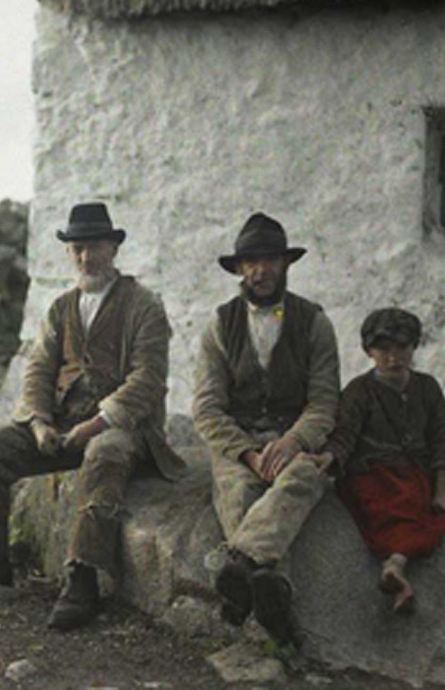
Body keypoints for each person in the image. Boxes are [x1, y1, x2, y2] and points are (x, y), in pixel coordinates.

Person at [0, 202, 185, 630]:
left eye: (94, 247)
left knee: (104, 455)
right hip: (61, 425)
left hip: (124, 429)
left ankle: (83, 577)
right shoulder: (61, 308)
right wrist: (39, 423)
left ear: (113, 247)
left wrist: (96, 424)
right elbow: (38, 368)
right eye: (77, 249)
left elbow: (148, 380)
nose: (86, 258)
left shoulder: (144, 305)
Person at [193, 212, 340, 648]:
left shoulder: (314, 321)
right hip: (239, 442)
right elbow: (206, 407)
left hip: (291, 435)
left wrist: (294, 440)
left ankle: (240, 564)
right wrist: (248, 454)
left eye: (271, 259)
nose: (262, 270)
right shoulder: (219, 324)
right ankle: (276, 600)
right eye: (251, 261)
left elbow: (325, 400)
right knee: (240, 491)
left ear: (286, 265)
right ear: (239, 269)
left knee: (304, 476)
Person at [323, 308, 445, 614]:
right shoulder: (358, 391)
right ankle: (396, 566)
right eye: (383, 349)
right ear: (369, 351)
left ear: (414, 347)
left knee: (429, 513)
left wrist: (442, 485)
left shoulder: (426, 387)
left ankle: (395, 566)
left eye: (402, 347)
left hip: (414, 470)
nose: (393, 357)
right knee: (390, 508)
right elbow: (344, 434)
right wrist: (330, 459)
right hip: (370, 471)